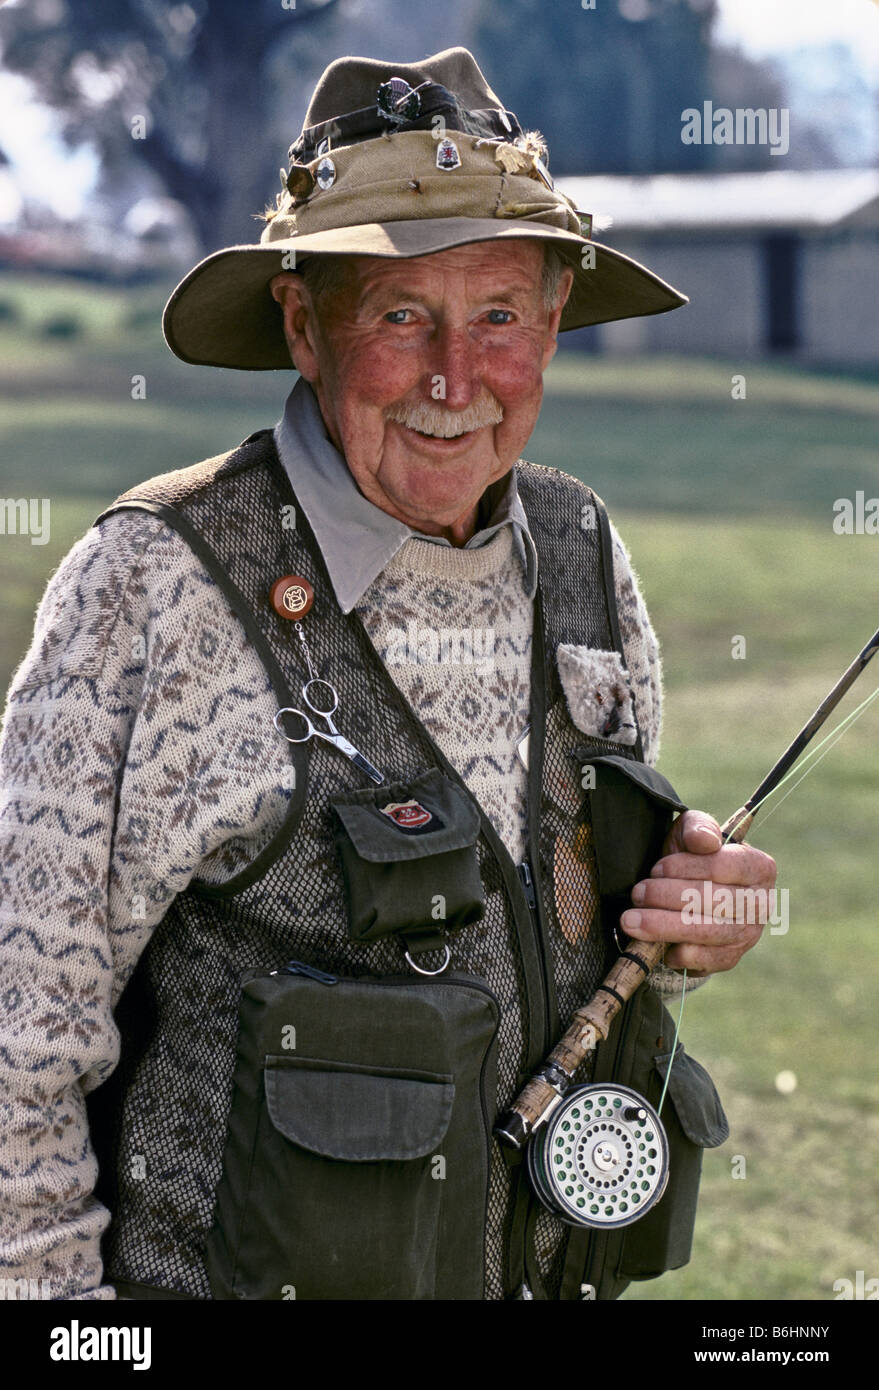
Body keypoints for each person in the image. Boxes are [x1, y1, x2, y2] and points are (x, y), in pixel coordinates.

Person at [0, 47, 775, 1302]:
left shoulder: (584, 555)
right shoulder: (152, 582)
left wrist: (691, 918)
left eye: (501, 317)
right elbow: (17, 1034)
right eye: (403, 314)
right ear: (306, 326)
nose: (454, 381)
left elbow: (570, 922)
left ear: (558, 320)